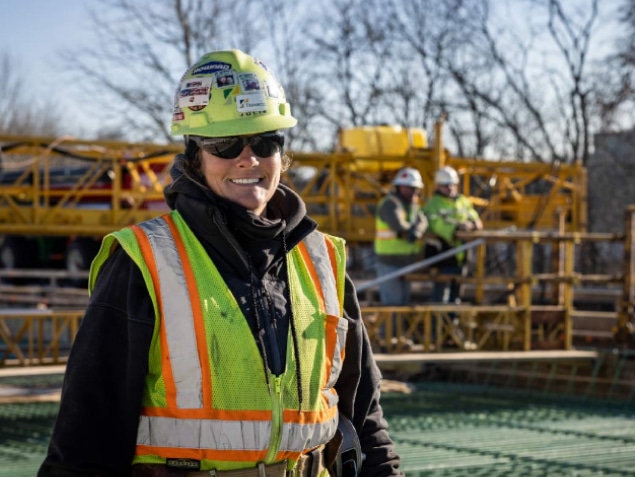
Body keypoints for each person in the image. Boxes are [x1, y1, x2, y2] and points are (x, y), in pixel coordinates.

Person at [38, 50, 401, 477]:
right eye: (226, 144)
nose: (248, 159)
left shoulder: (323, 260)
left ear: (282, 154)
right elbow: (86, 438)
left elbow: (365, 416)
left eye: (265, 142)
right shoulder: (144, 262)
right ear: (195, 156)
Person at [423, 165, 483, 305]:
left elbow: (475, 219)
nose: (449, 188)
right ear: (438, 186)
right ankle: (437, 326)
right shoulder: (433, 204)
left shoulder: (463, 201)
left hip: (462, 256)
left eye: (452, 185)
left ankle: (452, 324)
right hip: (443, 255)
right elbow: (437, 226)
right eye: (445, 185)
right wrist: (458, 227)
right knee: (440, 296)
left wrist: (473, 225)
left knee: (456, 296)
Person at [374, 167, 428, 307]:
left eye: (416, 188)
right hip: (389, 263)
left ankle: (398, 329)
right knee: (392, 307)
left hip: (406, 262)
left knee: (403, 306)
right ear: (399, 186)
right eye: (410, 187)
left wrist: (417, 232)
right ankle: (389, 330)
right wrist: (413, 229)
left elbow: (423, 221)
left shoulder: (413, 204)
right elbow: (398, 225)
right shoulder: (390, 204)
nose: (414, 191)